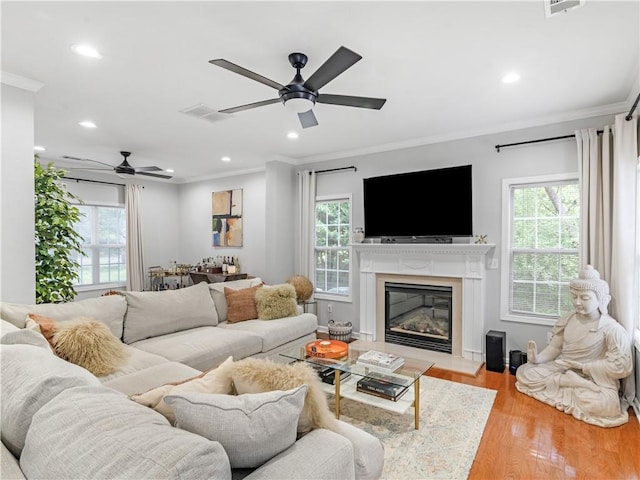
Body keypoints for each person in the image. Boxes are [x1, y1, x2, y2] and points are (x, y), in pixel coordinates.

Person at [515, 265, 633, 427]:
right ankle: (571, 382)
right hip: (562, 369)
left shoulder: (612, 330)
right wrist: (538, 358)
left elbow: (622, 368)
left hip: (593, 379)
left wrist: (582, 367)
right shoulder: (568, 319)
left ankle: (574, 382)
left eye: (584, 298)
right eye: (574, 297)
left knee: (602, 404)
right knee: (524, 372)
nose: (577, 302)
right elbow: (555, 348)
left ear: (602, 300)